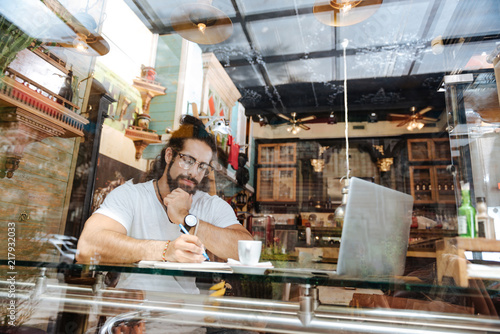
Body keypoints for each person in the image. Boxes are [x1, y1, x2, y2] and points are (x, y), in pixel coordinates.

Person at [76, 115, 253, 292]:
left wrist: (186, 218)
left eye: (202, 167)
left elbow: (248, 251)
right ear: (169, 155)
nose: (193, 172)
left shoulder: (210, 205)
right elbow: (87, 247)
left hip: (185, 316)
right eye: (188, 160)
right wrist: (165, 250)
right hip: (135, 314)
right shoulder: (131, 194)